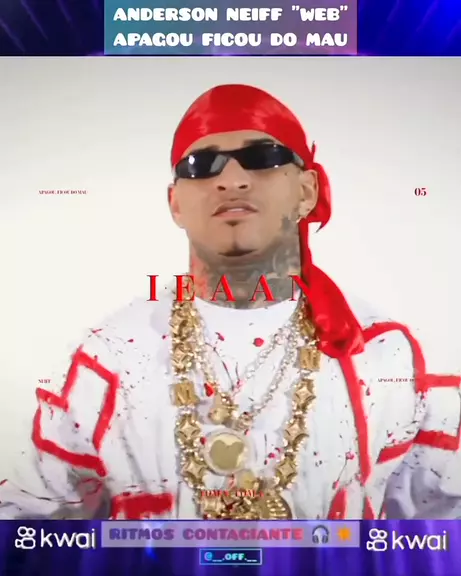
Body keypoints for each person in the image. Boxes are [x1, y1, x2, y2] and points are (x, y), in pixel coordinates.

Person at [1, 84, 460, 520]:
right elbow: (25, 524)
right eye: (202, 164)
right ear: (175, 203)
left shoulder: (390, 355)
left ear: (307, 191)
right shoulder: (110, 358)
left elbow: (441, 530)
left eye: (263, 157)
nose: (232, 180)